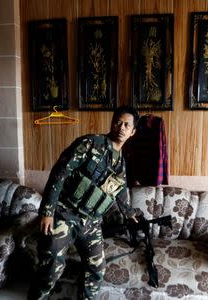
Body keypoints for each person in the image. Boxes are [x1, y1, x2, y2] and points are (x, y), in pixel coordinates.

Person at [28, 105, 139, 300]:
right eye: (118, 122)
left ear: (132, 132)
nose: (122, 127)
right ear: (112, 124)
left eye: (127, 125)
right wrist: (47, 211)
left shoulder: (120, 163)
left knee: (97, 268)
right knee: (51, 266)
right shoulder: (90, 143)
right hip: (65, 213)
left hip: (91, 222)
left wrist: (129, 213)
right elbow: (60, 172)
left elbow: (120, 190)